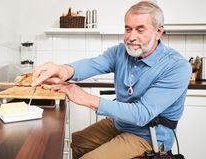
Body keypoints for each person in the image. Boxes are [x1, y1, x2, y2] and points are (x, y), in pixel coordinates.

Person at [31, 1, 192, 159]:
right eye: (128, 29)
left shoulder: (177, 66)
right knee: (67, 145)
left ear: (158, 31)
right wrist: (63, 69)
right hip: (119, 123)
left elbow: (142, 114)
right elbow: (93, 64)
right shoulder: (120, 52)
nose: (131, 37)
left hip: (149, 135)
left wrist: (86, 98)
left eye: (140, 30)